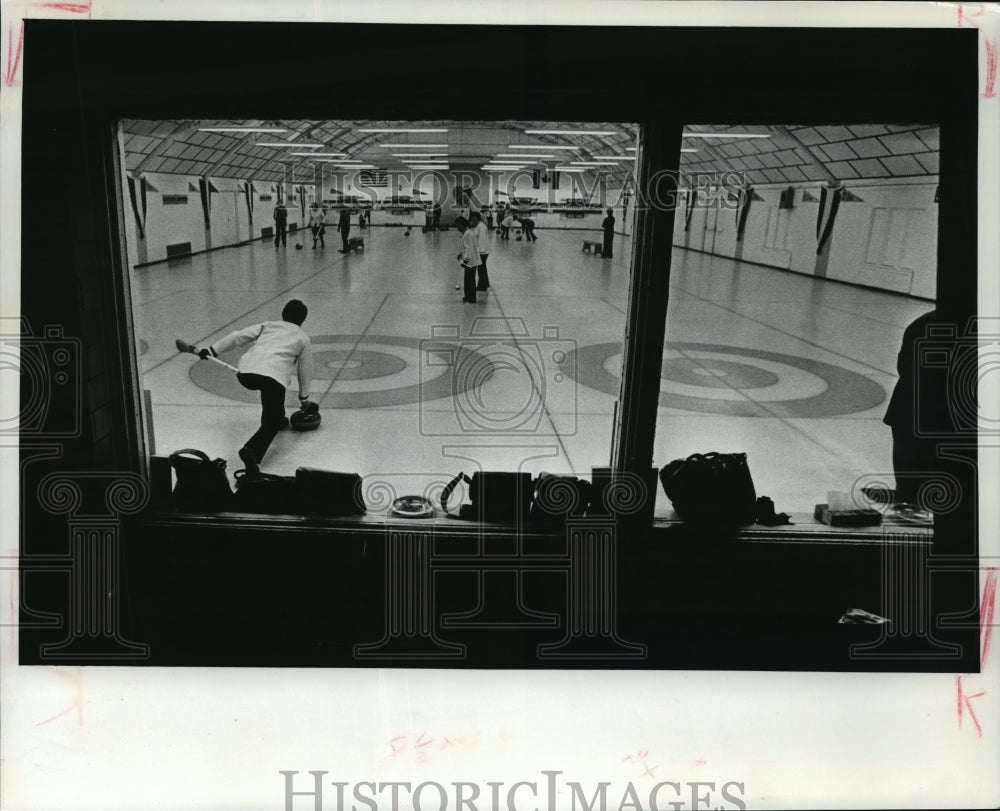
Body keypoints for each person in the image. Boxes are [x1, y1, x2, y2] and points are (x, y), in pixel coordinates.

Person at [191, 299, 315, 478]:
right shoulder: (303, 338)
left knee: (270, 397)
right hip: (273, 374)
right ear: (303, 320)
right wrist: (304, 398)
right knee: (270, 420)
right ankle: (252, 450)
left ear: (283, 315)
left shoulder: (268, 325)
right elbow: (305, 369)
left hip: (246, 372)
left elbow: (237, 336)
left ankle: (279, 417)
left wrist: (212, 350)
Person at [455, 217, 481, 303]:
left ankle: (472, 298)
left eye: (458, 226)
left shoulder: (468, 234)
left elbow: (469, 248)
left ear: (462, 225)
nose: (457, 228)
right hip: (471, 259)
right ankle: (468, 296)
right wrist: (461, 254)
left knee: (470, 280)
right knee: (468, 279)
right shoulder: (466, 232)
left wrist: (466, 260)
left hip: (471, 260)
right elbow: (465, 247)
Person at [470, 210, 491, 291]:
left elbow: (482, 239)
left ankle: (482, 286)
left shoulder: (482, 226)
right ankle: (485, 284)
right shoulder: (478, 226)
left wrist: (480, 251)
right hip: (481, 251)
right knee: (482, 268)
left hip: (483, 251)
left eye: (472, 218)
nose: (471, 220)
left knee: (481, 269)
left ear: (475, 218)